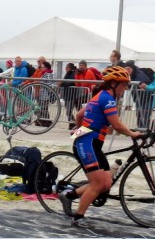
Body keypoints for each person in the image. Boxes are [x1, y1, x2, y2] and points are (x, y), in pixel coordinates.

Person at [59, 66, 141, 228]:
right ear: (113, 83)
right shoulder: (107, 99)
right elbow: (116, 125)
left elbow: (79, 115)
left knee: (105, 184)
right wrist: (133, 134)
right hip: (88, 144)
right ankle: (78, 218)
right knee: (97, 185)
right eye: (124, 85)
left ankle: (68, 196)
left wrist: (77, 130)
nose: (125, 89)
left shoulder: (100, 96)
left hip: (89, 142)